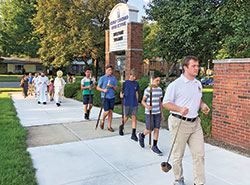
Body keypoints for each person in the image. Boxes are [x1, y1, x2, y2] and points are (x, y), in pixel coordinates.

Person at [163, 56, 210, 185]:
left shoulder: (198, 83)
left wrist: (202, 105)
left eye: (197, 65)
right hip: (179, 122)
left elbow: (197, 99)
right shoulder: (176, 85)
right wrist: (179, 108)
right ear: (185, 68)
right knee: (178, 155)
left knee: (199, 155)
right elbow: (166, 103)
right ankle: (178, 180)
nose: (197, 68)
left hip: (195, 124)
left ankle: (199, 182)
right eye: (193, 66)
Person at [138, 73, 165, 155]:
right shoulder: (148, 90)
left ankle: (154, 146)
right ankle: (142, 135)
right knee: (150, 129)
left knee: (157, 128)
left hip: (157, 112)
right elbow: (142, 101)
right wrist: (147, 106)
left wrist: (162, 114)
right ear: (152, 80)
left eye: (159, 81)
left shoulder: (159, 90)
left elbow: (160, 102)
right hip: (149, 113)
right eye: (156, 80)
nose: (158, 82)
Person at [119, 69, 140, 141]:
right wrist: (121, 95)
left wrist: (137, 102)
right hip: (127, 102)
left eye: (135, 76)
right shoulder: (125, 83)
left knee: (134, 118)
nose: (135, 78)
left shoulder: (136, 84)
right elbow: (121, 92)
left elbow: (137, 93)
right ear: (130, 75)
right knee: (126, 117)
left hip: (134, 103)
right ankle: (121, 126)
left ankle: (133, 134)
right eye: (133, 76)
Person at [97, 64, 118, 132]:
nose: (110, 71)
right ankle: (102, 120)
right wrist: (103, 90)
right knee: (107, 111)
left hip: (112, 97)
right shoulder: (102, 78)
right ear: (106, 70)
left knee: (111, 112)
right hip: (104, 96)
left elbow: (116, 88)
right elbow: (98, 87)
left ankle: (109, 126)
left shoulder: (113, 78)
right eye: (109, 70)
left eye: (111, 70)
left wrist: (112, 86)